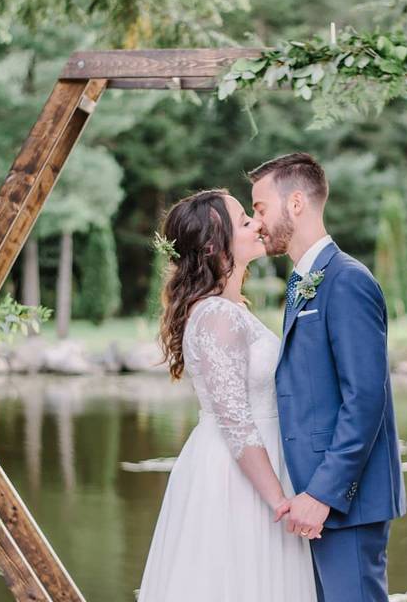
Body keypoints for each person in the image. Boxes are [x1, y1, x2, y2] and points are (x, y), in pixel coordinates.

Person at [136, 188, 318, 601]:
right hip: (238, 478)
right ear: (214, 245)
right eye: (243, 220)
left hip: (258, 464)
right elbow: (235, 420)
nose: (257, 224)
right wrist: (279, 502)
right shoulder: (217, 316)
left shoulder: (230, 309)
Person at [250, 152, 407, 602]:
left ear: (295, 203)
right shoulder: (304, 282)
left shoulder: (347, 281)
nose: (258, 222)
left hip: (346, 502)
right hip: (317, 499)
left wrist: (323, 494)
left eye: (261, 208)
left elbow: (365, 400)